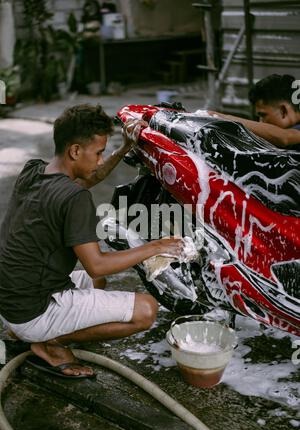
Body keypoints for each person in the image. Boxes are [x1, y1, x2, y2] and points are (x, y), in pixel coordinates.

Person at [0, 104, 184, 378]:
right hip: (32, 311)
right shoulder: (75, 199)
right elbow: (96, 264)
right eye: (98, 153)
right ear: (75, 151)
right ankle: (51, 343)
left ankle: (37, 330)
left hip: (10, 301)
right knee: (146, 310)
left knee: (97, 284)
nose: (100, 160)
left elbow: (91, 177)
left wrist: (123, 149)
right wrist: (155, 247)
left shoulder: (34, 171)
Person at [210, 74, 300, 150]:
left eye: (263, 115)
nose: (260, 122)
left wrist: (221, 117)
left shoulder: (289, 135)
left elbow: (284, 137)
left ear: (283, 110)